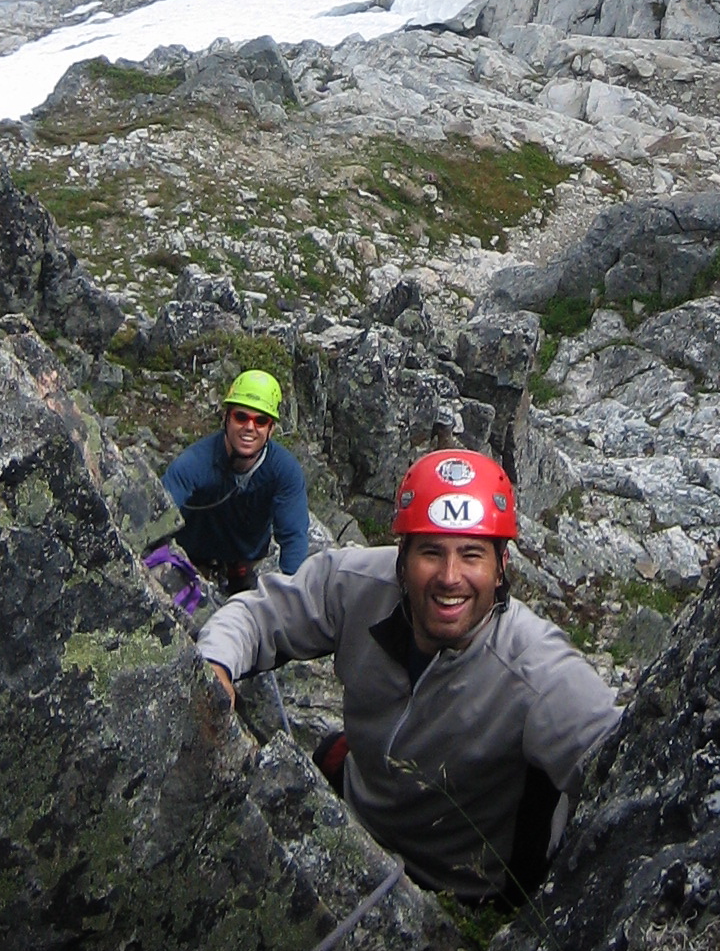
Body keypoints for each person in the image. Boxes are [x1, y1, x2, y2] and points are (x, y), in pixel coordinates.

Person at [198, 446, 621, 901]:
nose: (450, 577)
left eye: (472, 555)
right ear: (403, 557)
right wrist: (215, 666)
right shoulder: (357, 583)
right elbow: (260, 614)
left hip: (458, 887)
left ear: (501, 568)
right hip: (354, 815)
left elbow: (614, 760)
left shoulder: (536, 669)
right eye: (431, 552)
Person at [162, 368, 311, 590]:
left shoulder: (284, 471)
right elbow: (161, 514)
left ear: (271, 430)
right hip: (189, 561)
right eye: (241, 416)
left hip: (241, 567)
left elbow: (293, 538)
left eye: (260, 421)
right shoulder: (193, 464)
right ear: (226, 418)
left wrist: (292, 597)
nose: (249, 427)